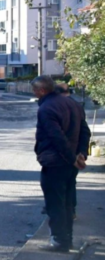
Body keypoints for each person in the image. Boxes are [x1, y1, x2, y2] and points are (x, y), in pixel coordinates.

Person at [32, 76, 89, 252]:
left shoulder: (46, 108)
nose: (34, 94)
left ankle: (59, 241)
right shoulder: (73, 104)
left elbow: (56, 137)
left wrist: (73, 157)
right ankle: (67, 239)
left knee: (55, 203)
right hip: (70, 162)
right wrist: (81, 154)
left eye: (34, 91)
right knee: (67, 203)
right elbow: (84, 131)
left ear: (42, 91)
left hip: (56, 161)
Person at [53, 82, 92, 221]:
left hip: (60, 154)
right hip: (74, 153)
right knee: (69, 182)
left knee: (58, 184)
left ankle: (62, 214)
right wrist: (82, 152)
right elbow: (84, 131)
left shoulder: (55, 106)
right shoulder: (77, 106)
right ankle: (70, 211)